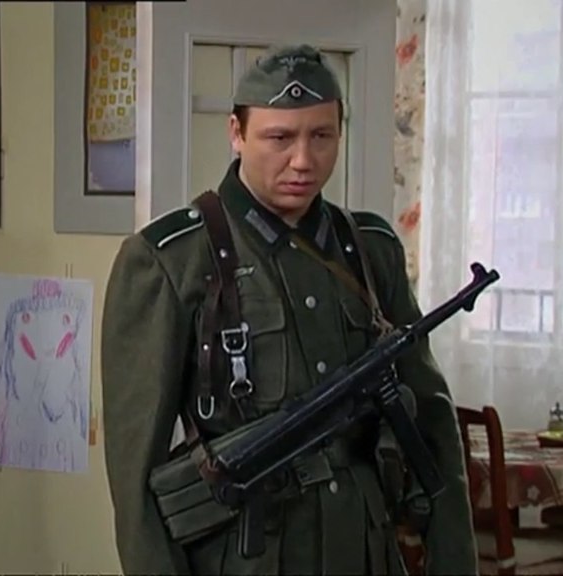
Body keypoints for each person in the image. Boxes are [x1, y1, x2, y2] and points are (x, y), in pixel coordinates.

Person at [102, 44, 478, 575]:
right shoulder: (171, 261)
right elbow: (135, 478)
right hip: (246, 556)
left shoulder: (370, 250)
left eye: (321, 136)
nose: (303, 160)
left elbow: (432, 420)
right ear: (236, 133)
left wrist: (455, 562)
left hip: (363, 551)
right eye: (279, 138)